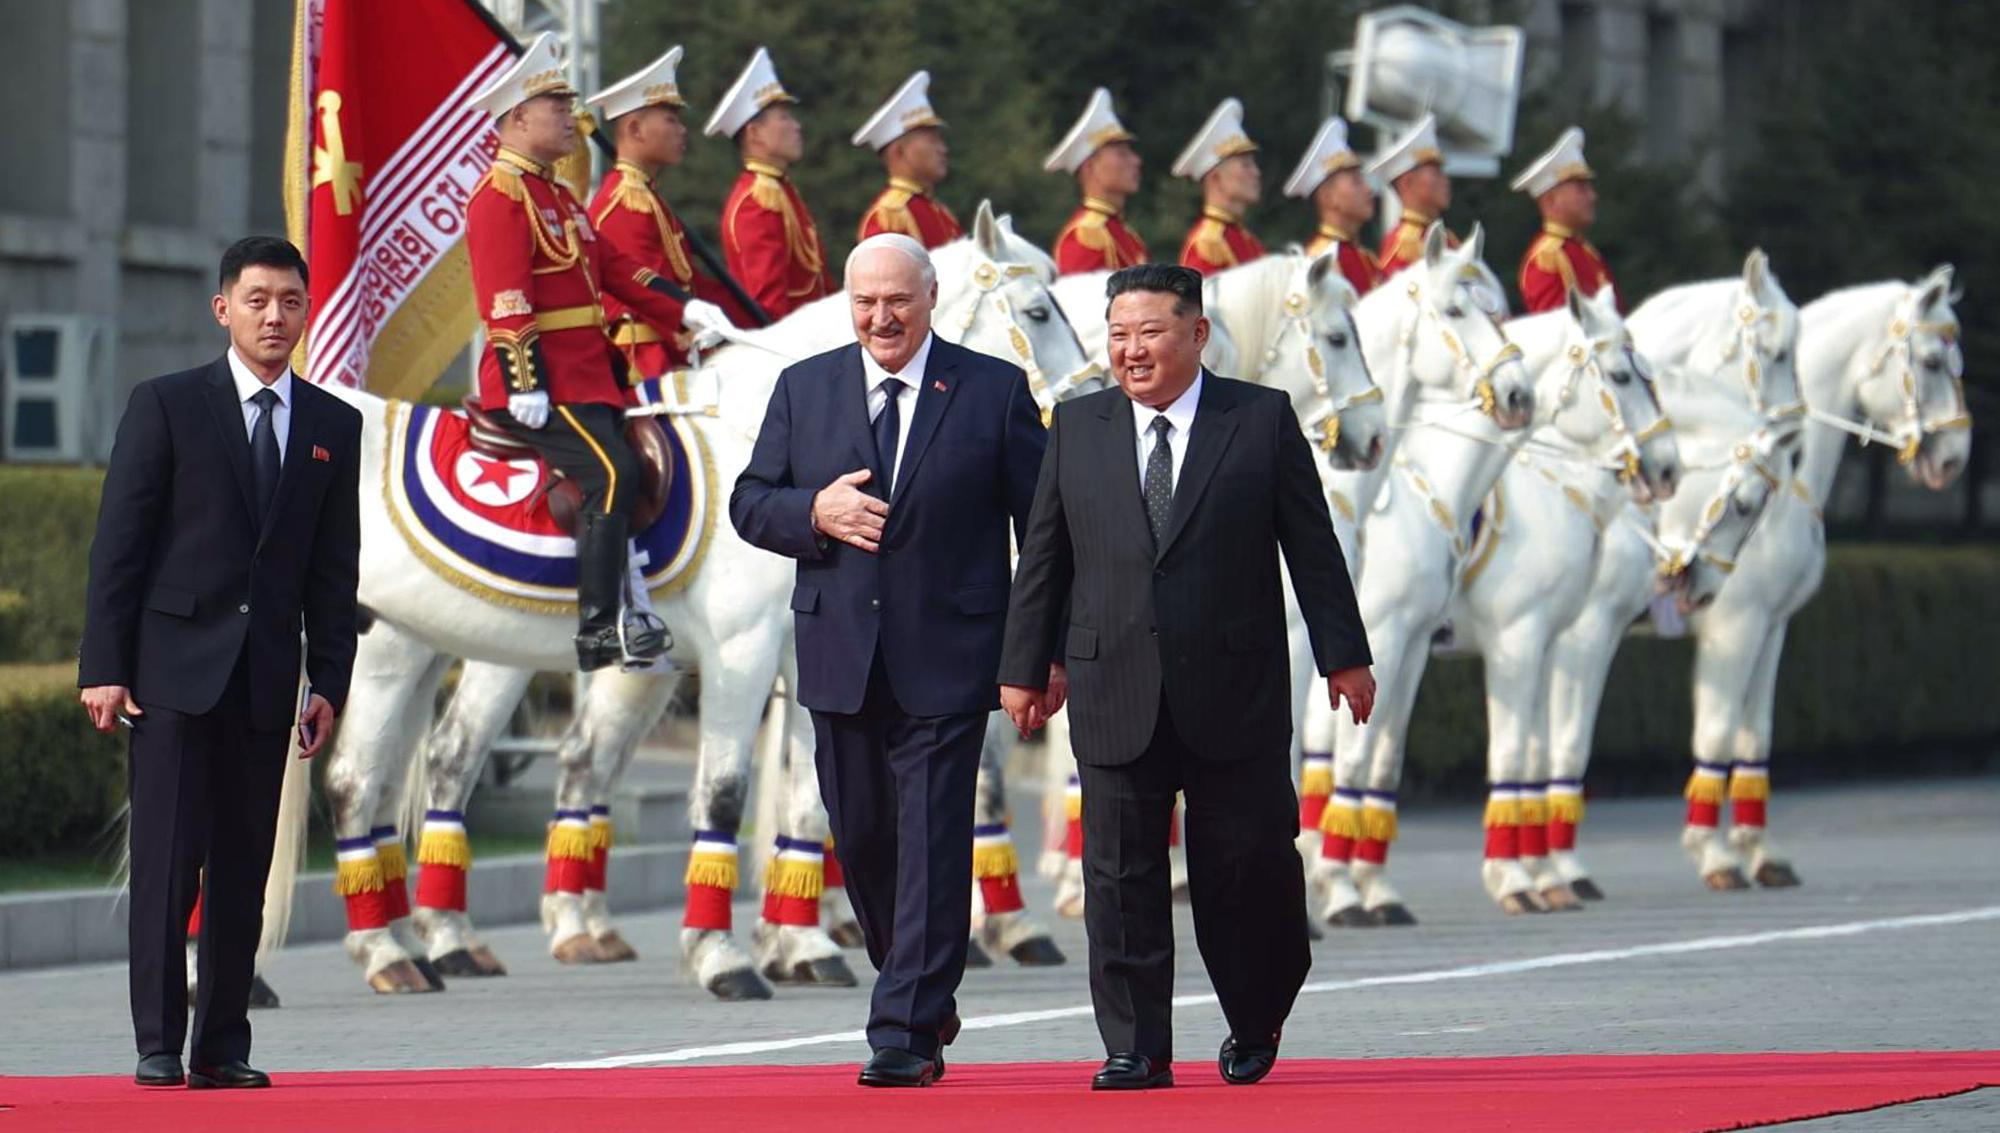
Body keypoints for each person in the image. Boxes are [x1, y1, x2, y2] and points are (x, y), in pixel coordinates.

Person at [997, 264, 1374, 1090]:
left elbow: (1311, 546)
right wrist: (1027, 666)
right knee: (1120, 877)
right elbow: (1046, 558)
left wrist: (1346, 655)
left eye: (1150, 333)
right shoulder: (1078, 424)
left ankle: (1257, 1010)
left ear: (1196, 334)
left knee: (1248, 867)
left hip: (1234, 689)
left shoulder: (1260, 419)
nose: (1131, 351)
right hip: (1113, 684)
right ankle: (1135, 1046)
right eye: (1118, 335)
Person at [730, 234, 1050, 1088]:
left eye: (897, 301)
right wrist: (815, 511)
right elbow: (750, 502)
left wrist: (1040, 650)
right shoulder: (807, 387)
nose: (882, 317)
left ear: (931, 296)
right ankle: (921, 983)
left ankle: (903, 1027)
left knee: (934, 840)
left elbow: (1045, 530)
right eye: (866, 302)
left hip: (950, 657)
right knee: (865, 837)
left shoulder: (992, 390)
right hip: (839, 657)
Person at [77, 235, 360, 1090]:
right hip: (169, 677)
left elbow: (331, 568)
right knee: (167, 865)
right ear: (224, 308)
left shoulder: (330, 424)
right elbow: (118, 549)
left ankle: (223, 1047)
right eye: (258, 299)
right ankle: (158, 1042)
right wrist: (105, 664)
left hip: (268, 681)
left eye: (290, 303)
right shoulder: (165, 405)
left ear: (306, 314)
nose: (275, 316)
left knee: (242, 869)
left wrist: (330, 681)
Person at [464, 33, 687, 672]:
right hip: (540, 383)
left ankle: (642, 602)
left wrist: (684, 309)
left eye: (567, 103)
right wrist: (522, 378)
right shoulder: (501, 195)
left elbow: (617, 271)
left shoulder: (557, 195)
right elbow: (505, 298)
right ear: (516, 120)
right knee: (610, 474)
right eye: (556, 105)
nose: (572, 116)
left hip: (588, 375)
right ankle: (599, 629)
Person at [586, 45, 736, 374]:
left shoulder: (647, 196)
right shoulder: (625, 204)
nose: (682, 130)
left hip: (669, 350)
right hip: (642, 360)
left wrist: (738, 322)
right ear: (635, 129)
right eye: (670, 120)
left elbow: (686, 281)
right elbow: (646, 291)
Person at [708, 47, 833, 320]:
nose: (796, 126)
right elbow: (768, 300)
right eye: (784, 117)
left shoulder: (781, 190)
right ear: (755, 134)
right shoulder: (757, 200)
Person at [1512, 126, 1621, 313]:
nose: (1592, 196)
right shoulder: (1548, 257)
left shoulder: (1584, 251)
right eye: (1581, 188)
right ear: (1550, 201)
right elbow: (1555, 333)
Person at [853, 71, 962, 248]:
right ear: (899, 152)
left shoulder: (941, 213)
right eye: (932, 141)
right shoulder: (890, 217)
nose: (943, 149)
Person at [1047, 87, 1148, 275]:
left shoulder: (1128, 236)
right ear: (1090, 167)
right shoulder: (1083, 237)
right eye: (1122, 154)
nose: (1136, 161)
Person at [1286, 116, 1382, 296]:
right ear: (1328, 198)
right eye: (1356, 182)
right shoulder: (1322, 259)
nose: (1369, 189)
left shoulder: (1367, 259)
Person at [1172, 98, 1265, 276]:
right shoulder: (1208, 244)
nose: (1256, 173)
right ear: (1215, 179)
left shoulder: (1249, 241)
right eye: (1245, 165)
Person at [1370, 113, 1455, 278]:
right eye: (1436, 173)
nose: (1446, 181)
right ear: (1407, 183)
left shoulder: (1448, 238)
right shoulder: (1404, 247)